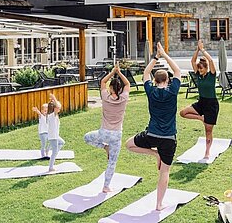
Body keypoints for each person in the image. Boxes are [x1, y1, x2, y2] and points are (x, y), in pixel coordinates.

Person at [126, 42, 181, 211]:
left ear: (155, 81)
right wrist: (164, 54)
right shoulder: (173, 91)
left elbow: (145, 72)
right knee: (164, 172)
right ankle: (159, 204)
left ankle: (154, 153)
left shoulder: (150, 90)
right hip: (169, 138)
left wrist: (156, 56)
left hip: (152, 135)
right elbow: (178, 70)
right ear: (168, 80)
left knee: (128, 144)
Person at [84, 62, 130, 193]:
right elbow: (127, 84)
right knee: (112, 162)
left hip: (103, 133)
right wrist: (119, 72)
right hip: (116, 135)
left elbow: (102, 82)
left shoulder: (105, 97)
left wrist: (112, 72)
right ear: (120, 89)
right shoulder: (124, 98)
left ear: (111, 88)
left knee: (87, 138)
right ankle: (106, 186)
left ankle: (105, 147)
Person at [179, 40, 219, 163]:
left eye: (202, 69)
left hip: (211, 104)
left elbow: (211, 61)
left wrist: (203, 50)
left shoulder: (211, 75)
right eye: (199, 69)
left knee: (208, 131)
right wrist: (197, 49)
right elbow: (192, 61)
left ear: (206, 68)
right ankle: (201, 118)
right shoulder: (198, 75)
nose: (200, 71)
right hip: (201, 102)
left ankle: (207, 152)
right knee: (183, 113)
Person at [47, 94, 65, 172]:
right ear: (55, 108)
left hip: (55, 136)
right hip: (53, 136)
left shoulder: (55, 115)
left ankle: (48, 148)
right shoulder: (52, 116)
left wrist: (54, 100)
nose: (59, 109)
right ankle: (51, 167)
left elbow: (57, 105)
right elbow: (56, 105)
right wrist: (55, 98)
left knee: (62, 142)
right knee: (54, 153)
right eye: (58, 108)